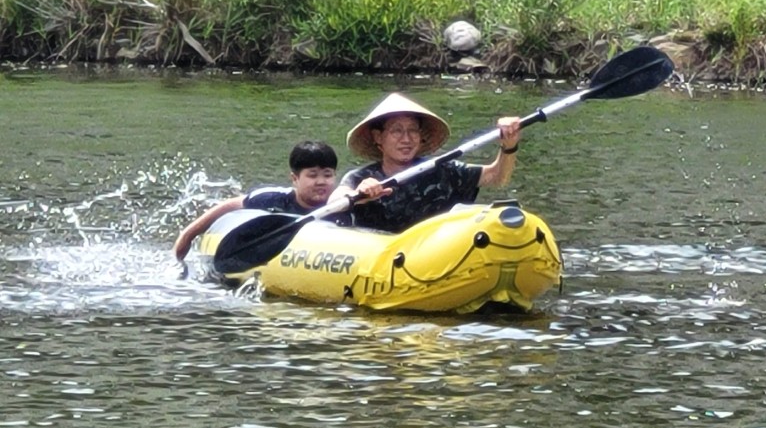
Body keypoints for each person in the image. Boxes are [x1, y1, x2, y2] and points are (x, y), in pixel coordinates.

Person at [328, 92, 521, 233]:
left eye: (413, 130)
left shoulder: (443, 169)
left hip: (435, 256)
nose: (406, 139)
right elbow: (335, 201)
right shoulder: (360, 177)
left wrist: (509, 145)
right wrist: (359, 195)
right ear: (378, 137)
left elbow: (497, 177)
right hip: (383, 259)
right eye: (397, 131)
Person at [172, 140, 338, 261]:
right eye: (312, 175)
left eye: (327, 175)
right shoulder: (274, 199)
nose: (321, 182)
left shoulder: (341, 205)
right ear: (295, 179)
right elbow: (231, 205)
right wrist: (187, 236)